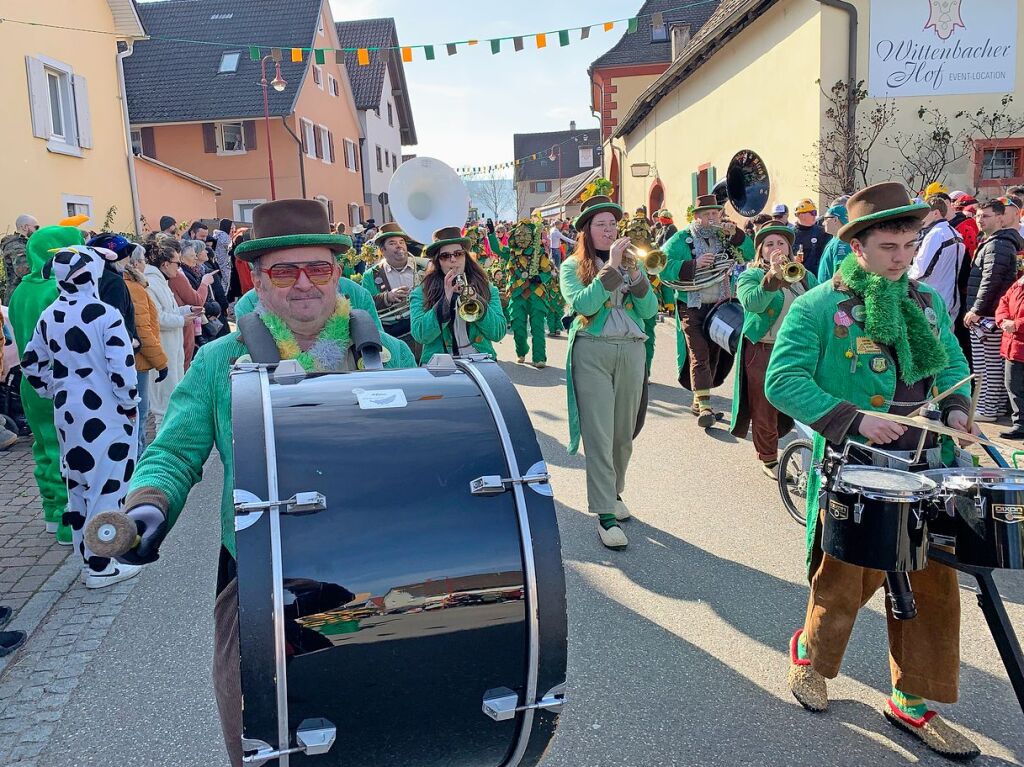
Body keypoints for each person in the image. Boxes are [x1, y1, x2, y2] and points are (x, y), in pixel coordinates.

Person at [118, 199, 415, 766]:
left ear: (337, 274)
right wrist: (148, 505)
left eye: (318, 269)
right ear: (257, 278)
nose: (303, 283)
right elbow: (175, 452)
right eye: (284, 271)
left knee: (381, 723)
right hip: (258, 568)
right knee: (254, 724)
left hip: (377, 563)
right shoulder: (220, 360)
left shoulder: (389, 354)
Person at [765, 182, 979, 761]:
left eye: (910, 245)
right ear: (856, 246)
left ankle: (912, 699)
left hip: (928, 465)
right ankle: (810, 655)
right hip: (857, 466)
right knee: (844, 582)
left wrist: (958, 408)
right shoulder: (818, 306)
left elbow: (954, 366)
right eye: (890, 246)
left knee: (934, 583)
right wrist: (853, 420)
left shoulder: (926, 304)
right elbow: (781, 382)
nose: (904, 258)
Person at [21, 245, 143, 588]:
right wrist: (129, 402)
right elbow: (123, 369)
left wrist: (55, 388)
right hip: (107, 413)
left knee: (78, 486)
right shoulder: (105, 315)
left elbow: (31, 364)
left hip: (68, 412)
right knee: (109, 486)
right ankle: (101, 566)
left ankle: (89, 558)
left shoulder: (50, 314)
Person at [559, 195, 658, 549]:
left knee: (623, 434)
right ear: (587, 230)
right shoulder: (571, 266)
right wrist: (611, 269)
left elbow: (649, 310)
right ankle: (604, 515)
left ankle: (614, 492)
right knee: (599, 435)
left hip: (631, 351)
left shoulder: (633, 264)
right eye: (601, 224)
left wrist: (635, 275)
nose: (609, 230)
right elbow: (583, 304)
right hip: (592, 351)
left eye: (613, 224)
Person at [10, 225, 83, 544]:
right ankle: (71, 519)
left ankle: (52, 510)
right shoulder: (57, 289)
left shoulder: (20, 291)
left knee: (43, 445)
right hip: (60, 378)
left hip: (30, 380)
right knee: (70, 447)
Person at [731, 222, 817, 478]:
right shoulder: (751, 275)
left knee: (803, 401)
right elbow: (753, 303)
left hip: (798, 349)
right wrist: (773, 278)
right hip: (764, 349)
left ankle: (810, 453)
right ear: (760, 251)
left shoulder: (804, 275)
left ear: (790, 248)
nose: (776, 248)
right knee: (764, 406)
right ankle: (769, 458)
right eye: (770, 244)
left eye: (781, 243)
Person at [660, 194, 755, 427]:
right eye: (708, 214)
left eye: (716, 213)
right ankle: (705, 407)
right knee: (699, 352)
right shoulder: (681, 239)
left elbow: (750, 254)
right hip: (692, 305)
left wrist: (737, 235)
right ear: (697, 217)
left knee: (715, 352)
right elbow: (661, 267)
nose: (713, 218)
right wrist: (694, 265)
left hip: (721, 305)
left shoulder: (725, 237)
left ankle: (698, 399)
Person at [965, 199, 1024, 421]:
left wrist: (976, 310)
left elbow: (991, 280)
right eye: (979, 215)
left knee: (987, 366)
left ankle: (988, 409)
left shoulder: (998, 244)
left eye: (986, 215)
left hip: (987, 315)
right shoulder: (995, 242)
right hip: (990, 312)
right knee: (990, 364)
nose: (980, 220)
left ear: (1001, 217)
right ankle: (994, 407)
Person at [410, 226, 506, 362]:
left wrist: (478, 300)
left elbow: (498, 333)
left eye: (458, 254)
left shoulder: (487, 289)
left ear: (465, 256)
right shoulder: (421, 292)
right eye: (445, 256)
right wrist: (445, 302)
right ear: (438, 261)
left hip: (480, 361)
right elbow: (420, 335)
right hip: (439, 364)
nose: (453, 260)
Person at [144, 236, 201, 427]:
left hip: (171, 349)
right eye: (177, 263)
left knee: (173, 400)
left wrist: (186, 311)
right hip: (161, 353)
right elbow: (157, 318)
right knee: (164, 407)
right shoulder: (151, 283)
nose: (179, 267)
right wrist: (181, 319)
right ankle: (164, 449)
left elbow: (170, 311)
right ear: (165, 263)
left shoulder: (161, 281)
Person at [487, 219, 552, 367]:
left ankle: (539, 357)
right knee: (518, 326)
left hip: (536, 294)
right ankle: (521, 351)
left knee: (537, 327)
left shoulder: (539, 252)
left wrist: (540, 277)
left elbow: (548, 272)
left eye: (526, 235)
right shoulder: (510, 253)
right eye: (519, 235)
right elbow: (497, 249)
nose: (522, 238)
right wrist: (491, 234)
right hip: (516, 294)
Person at [123, 245, 168, 453]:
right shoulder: (133, 288)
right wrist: (160, 362)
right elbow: (142, 329)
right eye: (142, 261)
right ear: (134, 263)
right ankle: (137, 470)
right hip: (138, 361)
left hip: (129, 359)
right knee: (137, 418)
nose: (144, 265)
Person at [363, 222, 425, 360]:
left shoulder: (423, 268)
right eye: (392, 243)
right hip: (393, 335)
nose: (399, 246)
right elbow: (365, 304)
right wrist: (388, 296)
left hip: (421, 333)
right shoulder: (371, 275)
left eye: (401, 242)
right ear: (383, 251)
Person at [908, 196, 965, 321]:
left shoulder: (936, 234)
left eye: (925, 213)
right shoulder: (956, 233)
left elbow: (921, 270)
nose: (921, 217)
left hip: (933, 297)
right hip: (951, 296)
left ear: (935, 213)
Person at [170, 239, 214, 371]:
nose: (195, 258)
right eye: (192, 255)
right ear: (181, 257)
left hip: (185, 323)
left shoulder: (184, 272)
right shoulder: (178, 275)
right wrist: (205, 283)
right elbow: (197, 301)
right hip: (185, 325)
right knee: (184, 364)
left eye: (196, 254)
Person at [996, 271, 1024, 440]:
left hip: (1017, 341)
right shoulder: (1019, 282)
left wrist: (1017, 324)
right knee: (1013, 386)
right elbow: (1004, 301)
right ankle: (1020, 423)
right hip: (1013, 346)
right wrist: (1003, 320)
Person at [1, 214, 38, 303]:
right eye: (36, 227)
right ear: (25, 227)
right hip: (17, 297)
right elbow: (24, 271)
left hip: (23, 294)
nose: (37, 231)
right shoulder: (15, 246)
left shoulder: (24, 243)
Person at [792, 198, 832, 277]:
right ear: (801, 215)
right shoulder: (790, 234)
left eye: (815, 212)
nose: (815, 215)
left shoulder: (823, 232)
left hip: (818, 276)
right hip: (798, 278)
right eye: (812, 213)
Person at [815, 205, 851, 282]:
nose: (823, 223)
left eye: (825, 219)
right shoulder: (835, 239)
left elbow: (840, 277)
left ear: (835, 220)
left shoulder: (841, 242)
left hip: (832, 292)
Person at [211, 218, 234, 292]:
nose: (233, 231)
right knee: (225, 284)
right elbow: (230, 249)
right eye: (232, 228)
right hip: (224, 263)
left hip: (217, 262)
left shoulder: (217, 235)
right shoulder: (225, 237)